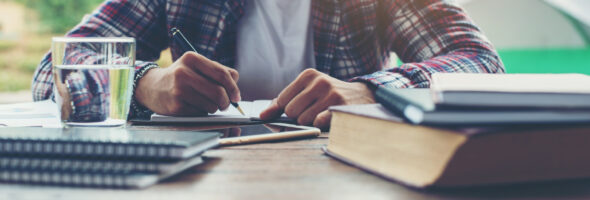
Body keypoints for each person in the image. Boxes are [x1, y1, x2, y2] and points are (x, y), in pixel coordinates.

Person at [32, 0, 504, 129]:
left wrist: (374, 90)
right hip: (202, 181)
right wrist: (144, 84)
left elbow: (481, 61)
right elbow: (52, 69)